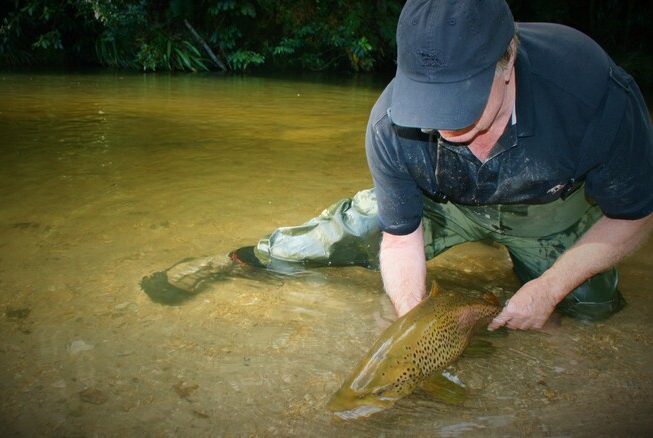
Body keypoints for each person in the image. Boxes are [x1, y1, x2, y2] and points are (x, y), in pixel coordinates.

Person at [162, 0, 653, 330]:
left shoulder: (592, 92)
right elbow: (400, 240)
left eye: (459, 100)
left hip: (548, 209)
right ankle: (239, 258)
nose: (440, 122)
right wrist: (415, 325)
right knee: (334, 240)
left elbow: (634, 215)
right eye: (429, 100)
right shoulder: (389, 121)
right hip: (443, 200)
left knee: (594, 309)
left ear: (508, 62)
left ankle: (532, 270)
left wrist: (547, 289)